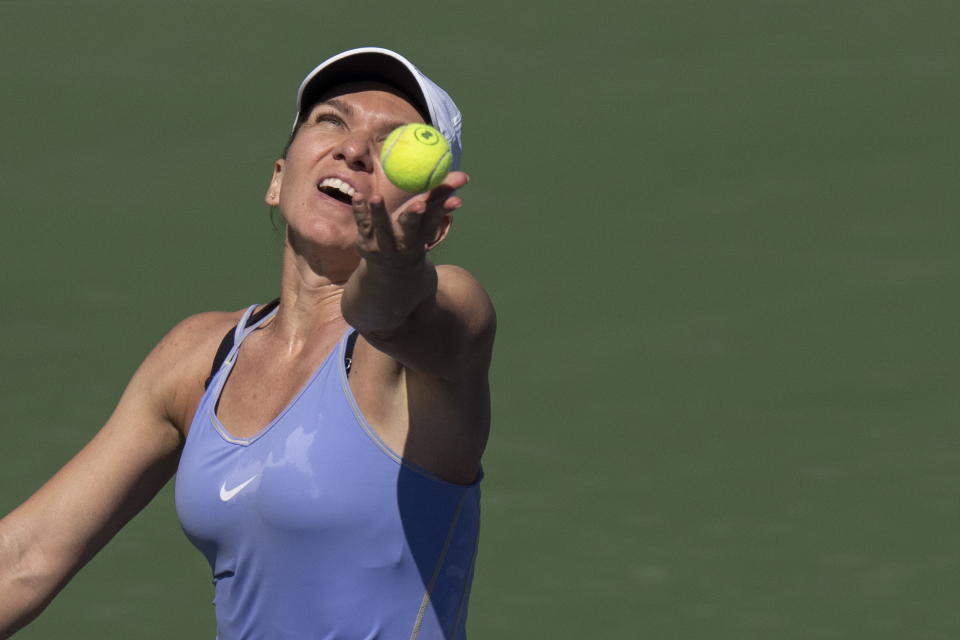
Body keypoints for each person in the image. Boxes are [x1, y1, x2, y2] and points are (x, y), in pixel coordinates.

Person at [0, 46, 495, 639]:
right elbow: (24, 561)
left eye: (393, 145)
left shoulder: (448, 315)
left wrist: (391, 268)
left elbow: (388, 314)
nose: (354, 148)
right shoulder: (197, 357)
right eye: (331, 120)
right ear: (278, 178)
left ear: (434, 225)